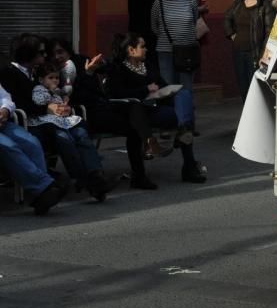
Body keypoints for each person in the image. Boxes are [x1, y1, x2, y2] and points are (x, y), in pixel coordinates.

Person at [50, 37, 168, 188]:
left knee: (135, 109)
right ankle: (148, 149)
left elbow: (108, 70)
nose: (57, 57)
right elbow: (76, 96)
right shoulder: (52, 71)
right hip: (86, 112)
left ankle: (144, 161)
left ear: (68, 51)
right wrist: (87, 73)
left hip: (103, 104)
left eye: (60, 52)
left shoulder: (81, 61)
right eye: (53, 54)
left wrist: (99, 65)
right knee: (134, 126)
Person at [106, 32, 207, 184]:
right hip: (138, 113)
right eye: (143, 46)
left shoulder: (148, 66)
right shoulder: (118, 69)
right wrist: (145, 90)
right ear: (131, 50)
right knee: (184, 119)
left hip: (157, 107)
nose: (146, 49)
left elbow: (163, 84)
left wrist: (166, 91)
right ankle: (189, 165)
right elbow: (116, 93)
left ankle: (184, 134)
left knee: (183, 96)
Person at [30, 62, 116, 201]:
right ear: (41, 80)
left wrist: (66, 105)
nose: (54, 81)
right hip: (47, 123)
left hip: (62, 121)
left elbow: (64, 104)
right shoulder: (39, 89)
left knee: (82, 134)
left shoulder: (58, 91)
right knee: (65, 139)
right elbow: (38, 101)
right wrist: (52, 93)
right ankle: (82, 178)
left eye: (56, 78)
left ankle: (96, 174)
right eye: (50, 78)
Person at [0, 82, 67, 214]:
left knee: (32, 143)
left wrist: (5, 110)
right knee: (9, 146)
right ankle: (45, 188)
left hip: (3, 122)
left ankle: (41, 197)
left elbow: (5, 97)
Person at [223, 0, 277, 101]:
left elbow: (270, 32)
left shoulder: (265, 4)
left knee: (255, 90)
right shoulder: (238, 1)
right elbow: (227, 17)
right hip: (238, 52)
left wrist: (265, 55)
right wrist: (232, 35)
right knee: (243, 88)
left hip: (255, 54)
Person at [150, 0, 200, 92]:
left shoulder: (190, 1)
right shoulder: (158, 2)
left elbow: (194, 22)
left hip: (186, 51)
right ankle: (171, 111)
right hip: (165, 51)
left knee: (186, 86)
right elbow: (154, 26)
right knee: (168, 86)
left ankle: (185, 111)